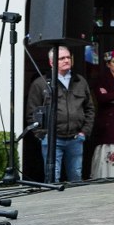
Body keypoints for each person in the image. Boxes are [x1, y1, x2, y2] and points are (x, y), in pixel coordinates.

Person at [26, 46, 96, 183]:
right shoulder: (40, 84)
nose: (66, 60)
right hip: (52, 139)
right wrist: (42, 135)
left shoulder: (80, 81)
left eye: (68, 57)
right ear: (51, 62)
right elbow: (32, 113)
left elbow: (90, 108)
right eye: (61, 58)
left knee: (76, 176)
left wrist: (84, 132)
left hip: (76, 138)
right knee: (53, 178)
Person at [90, 49, 114, 179]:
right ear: (108, 64)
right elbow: (101, 98)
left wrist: (111, 96)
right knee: (107, 151)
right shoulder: (102, 78)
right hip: (107, 124)